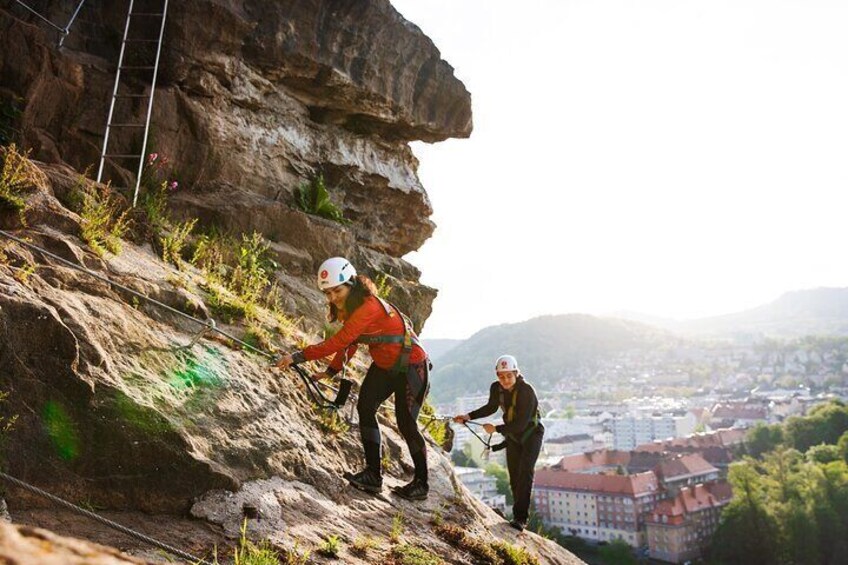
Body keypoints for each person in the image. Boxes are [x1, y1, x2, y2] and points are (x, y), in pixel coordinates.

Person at [276, 257, 431, 501]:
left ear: (351, 284)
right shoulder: (350, 308)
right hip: (385, 365)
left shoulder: (368, 306)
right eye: (328, 293)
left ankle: (421, 483)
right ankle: (373, 475)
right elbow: (349, 344)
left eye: (337, 291)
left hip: (412, 365)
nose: (333, 298)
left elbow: (338, 341)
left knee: (406, 422)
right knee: (365, 407)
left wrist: (298, 356)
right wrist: (331, 372)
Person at [453, 354, 544, 531]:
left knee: (525, 473)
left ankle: (520, 519)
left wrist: (496, 429)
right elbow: (491, 407)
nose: (505, 380)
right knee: (514, 476)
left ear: (516, 373)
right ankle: (518, 516)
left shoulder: (526, 391)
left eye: (509, 376)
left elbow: (521, 424)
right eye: (501, 376)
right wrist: (468, 417)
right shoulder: (497, 388)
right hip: (513, 435)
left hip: (531, 434)